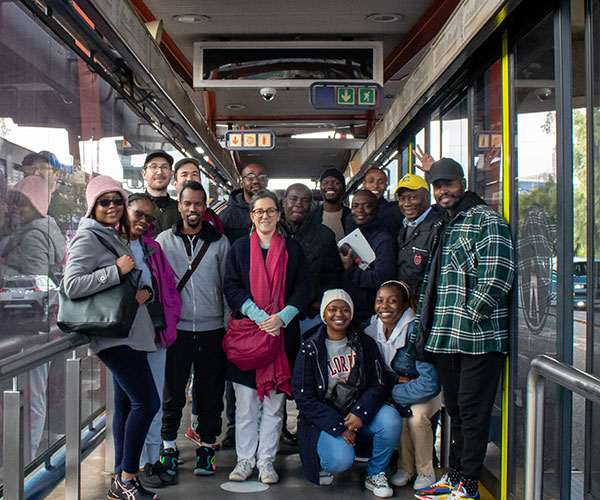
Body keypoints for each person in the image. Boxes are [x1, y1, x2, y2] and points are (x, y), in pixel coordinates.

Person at [412, 158, 515, 500]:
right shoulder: (447, 223)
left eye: (448, 184)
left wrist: (471, 315)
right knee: (454, 409)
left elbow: (498, 274)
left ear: (463, 182)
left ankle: (468, 484)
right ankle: (454, 477)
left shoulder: (486, 219)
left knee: (473, 411)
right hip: (446, 337)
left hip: (479, 337)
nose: (443, 191)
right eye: (437, 186)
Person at [62, 175, 160, 500]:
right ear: (93, 205)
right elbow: (72, 284)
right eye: (105, 201)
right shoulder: (87, 237)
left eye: (117, 200)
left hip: (126, 329)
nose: (113, 207)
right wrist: (115, 271)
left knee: (127, 406)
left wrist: (139, 293)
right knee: (147, 402)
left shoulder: (110, 235)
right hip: (113, 335)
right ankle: (127, 478)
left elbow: (120, 284)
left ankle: (121, 477)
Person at [223, 189, 309, 484]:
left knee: (274, 405)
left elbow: (302, 288)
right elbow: (231, 286)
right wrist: (261, 318)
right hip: (248, 336)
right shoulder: (238, 249)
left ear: (279, 214)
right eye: (259, 211)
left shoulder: (292, 249)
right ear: (252, 216)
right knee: (245, 404)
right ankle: (245, 460)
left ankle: (267, 462)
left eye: (271, 211)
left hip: (281, 337)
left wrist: (282, 317)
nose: (265, 216)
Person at [292, 289, 402, 498]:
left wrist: (360, 413)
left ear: (351, 314)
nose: (338, 315)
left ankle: (375, 473)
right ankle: (322, 455)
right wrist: (337, 426)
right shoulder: (310, 348)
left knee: (391, 419)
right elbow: (304, 398)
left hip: (357, 415)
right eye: (332, 309)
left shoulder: (364, 343)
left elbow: (378, 384)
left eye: (345, 310)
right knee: (339, 461)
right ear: (324, 314)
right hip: (326, 419)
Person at [155, 181, 230, 478]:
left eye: (198, 204)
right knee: (172, 394)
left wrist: (226, 327)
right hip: (178, 331)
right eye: (187, 203)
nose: (192, 209)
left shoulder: (220, 243)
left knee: (210, 394)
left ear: (205, 205)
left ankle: (207, 449)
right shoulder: (163, 241)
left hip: (213, 330)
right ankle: (169, 448)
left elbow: (227, 288)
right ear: (179, 203)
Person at [122, 194, 181, 490]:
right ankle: (131, 465)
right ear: (125, 211)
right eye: (138, 214)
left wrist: (170, 318)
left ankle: (152, 460)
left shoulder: (153, 248)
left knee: (154, 400)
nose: (143, 221)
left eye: (148, 218)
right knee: (135, 404)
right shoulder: (111, 245)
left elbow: (168, 286)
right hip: (124, 338)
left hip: (155, 333)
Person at [364, 281, 441, 491]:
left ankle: (426, 471)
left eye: (393, 301)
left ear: (405, 304)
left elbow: (430, 383)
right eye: (380, 301)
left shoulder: (416, 331)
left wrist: (395, 392)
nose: (384, 306)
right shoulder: (372, 330)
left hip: (425, 391)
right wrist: (393, 387)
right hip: (399, 391)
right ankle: (405, 468)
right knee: (399, 418)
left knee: (416, 418)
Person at [280, 183, 343, 332]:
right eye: (293, 199)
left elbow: (335, 274)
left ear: (311, 205)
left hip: (308, 316)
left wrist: (319, 302)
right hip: (274, 313)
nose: (299, 204)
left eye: (305, 200)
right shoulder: (269, 232)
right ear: (283, 202)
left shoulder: (324, 235)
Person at [340, 189, 397, 326]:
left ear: (376, 210)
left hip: (369, 316)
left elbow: (382, 278)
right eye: (355, 206)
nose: (360, 210)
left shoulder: (383, 240)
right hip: (350, 312)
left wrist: (350, 270)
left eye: (367, 206)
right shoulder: (353, 235)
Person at [395, 173, 442, 298]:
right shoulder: (405, 225)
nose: (406, 203)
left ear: (427, 197)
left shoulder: (438, 227)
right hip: (407, 301)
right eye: (401, 199)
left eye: (412, 197)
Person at [172, 158, 225, 234]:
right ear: (175, 184)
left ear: (200, 181)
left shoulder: (211, 216)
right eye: (184, 175)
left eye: (194, 174)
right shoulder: (169, 213)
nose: (190, 178)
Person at [219, 163, 268, 244]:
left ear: (267, 182)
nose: (256, 181)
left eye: (261, 177)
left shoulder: (276, 212)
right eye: (250, 177)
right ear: (241, 183)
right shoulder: (227, 216)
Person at [310, 166, 353, 241]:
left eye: (336, 183)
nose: (330, 186)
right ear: (320, 188)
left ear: (343, 188)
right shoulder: (310, 218)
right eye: (325, 183)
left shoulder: (353, 217)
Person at [141, 150, 177, 236]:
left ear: (171, 174)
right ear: (144, 174)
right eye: (153, 167)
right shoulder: (133, 208)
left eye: (164, 167)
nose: (159, 172)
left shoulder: (180, 210)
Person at [363, 168, 402, 239]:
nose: (375, 186)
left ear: (386, 186)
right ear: (364, 184)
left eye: (381, 182)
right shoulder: (355, 213)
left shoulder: (396, 210)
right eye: (371, 181)